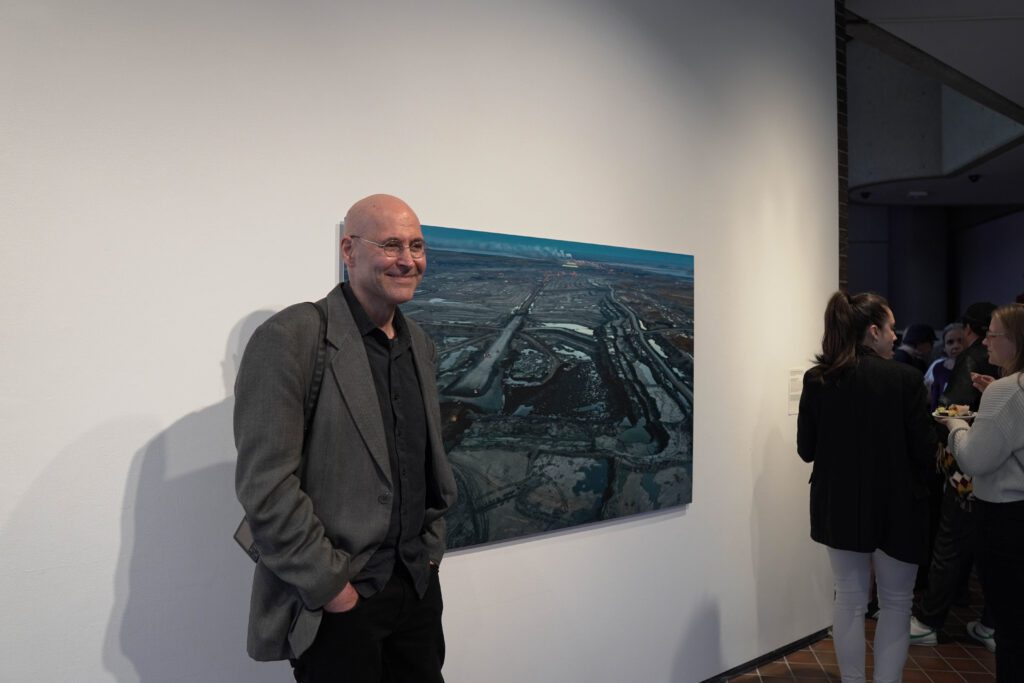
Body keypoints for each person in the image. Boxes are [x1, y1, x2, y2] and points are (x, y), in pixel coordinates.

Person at [234, 194, 458, 682]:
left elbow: (423, 464)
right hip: (342, 603)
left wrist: (431, 555)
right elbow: (266, 489)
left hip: (416, 590)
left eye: (417, 246)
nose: (408, 260)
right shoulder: (291, 338)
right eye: (392, 244)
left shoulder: (419, 343)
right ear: (349, 250)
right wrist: (336, 591)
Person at [798, 291, 937, 683]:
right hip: (900, 506)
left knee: (849, 600)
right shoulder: (906, 379)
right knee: (896, 603)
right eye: (892, 328)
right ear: (873, 331)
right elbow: (924, 453)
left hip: (838, 504)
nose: (896, 337)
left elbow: (806, 450)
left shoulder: (819, 379)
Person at [939, 303, 1024, 681]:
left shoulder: (1006, 392)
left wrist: (956, 424)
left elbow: (974, 459)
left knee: (1011, 629)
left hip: (1005, 519)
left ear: (1016, 340)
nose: (984, 341)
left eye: (993, 334)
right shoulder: (1007, 390)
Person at [911, 302, 999, 651]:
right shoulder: (1010, 365)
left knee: (950, 541)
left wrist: (943, 424)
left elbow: (952, 408)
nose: (988, 342)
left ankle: (930, 620)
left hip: (965, 467)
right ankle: (992, 623)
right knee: (992, 546)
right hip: (997, 470)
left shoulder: (972, 357)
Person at [923, 323, 964, 412]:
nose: (955, 346)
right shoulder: (938, 367)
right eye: (950, 342)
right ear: (944, 348)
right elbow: (935, 399)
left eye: (960, 341)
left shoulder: (973, 366)